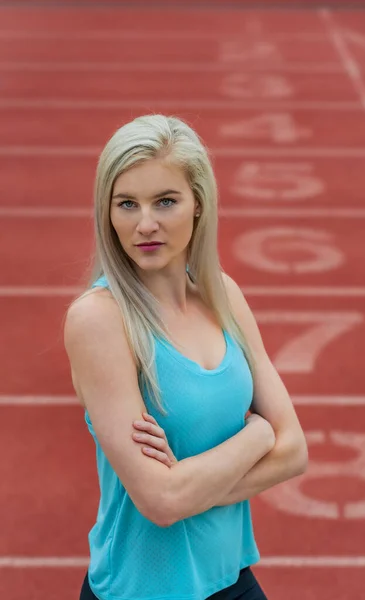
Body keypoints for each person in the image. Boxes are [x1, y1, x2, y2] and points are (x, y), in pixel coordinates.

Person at [64, 114, 308, 600]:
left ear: (199, 204)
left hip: (232, 579)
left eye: (166, 201)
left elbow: (295, 452)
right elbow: (159, 500)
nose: (145, 224)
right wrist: (258, 434)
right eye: (126, 204)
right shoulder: (100, 320)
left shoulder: (225, 297)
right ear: (107, 212)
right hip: (142, 590)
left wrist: (187, 487)